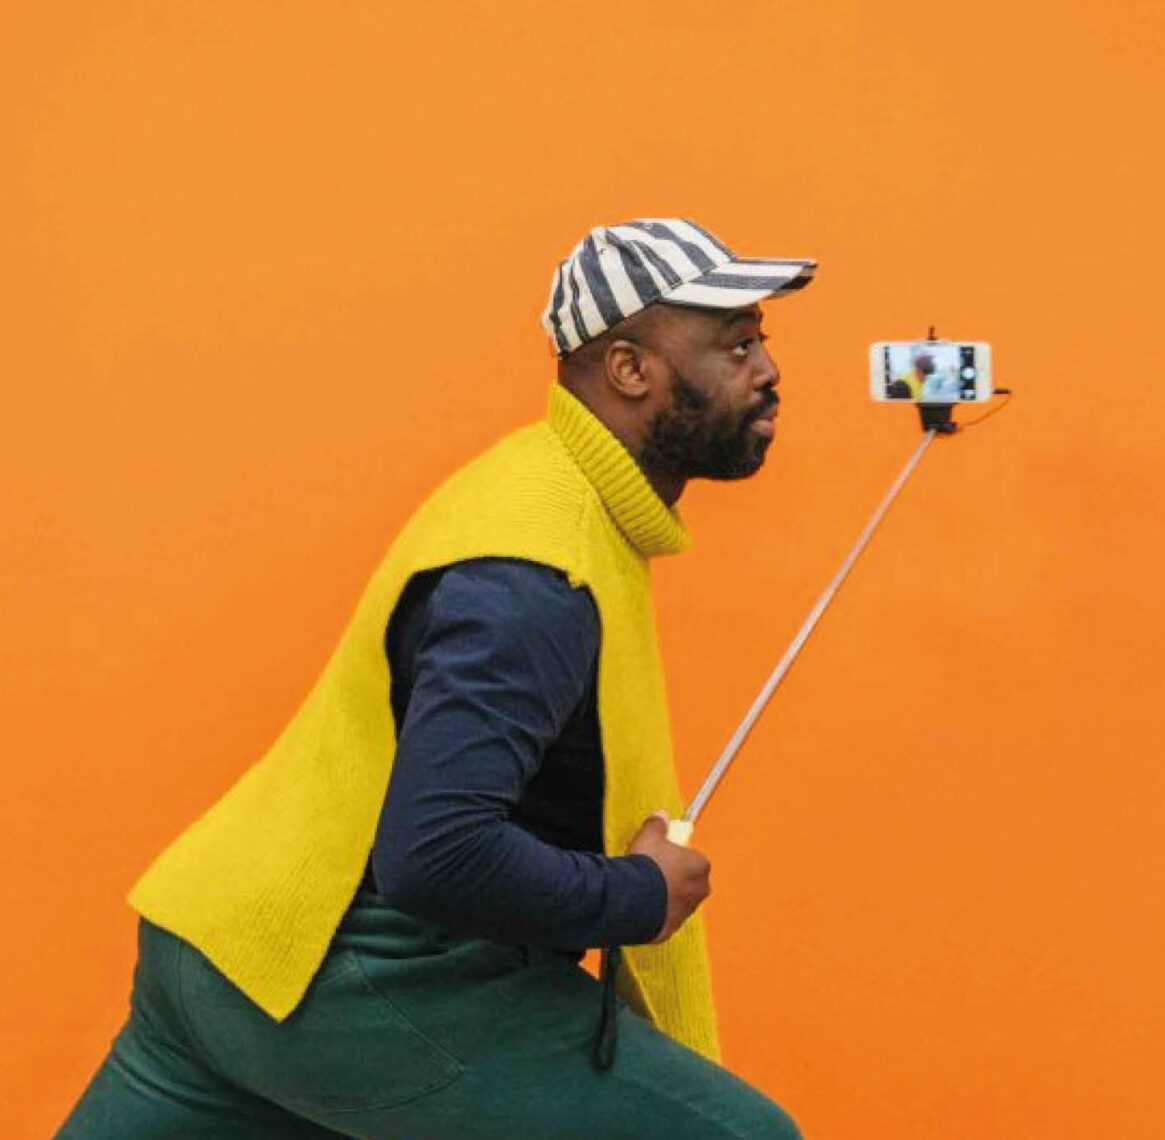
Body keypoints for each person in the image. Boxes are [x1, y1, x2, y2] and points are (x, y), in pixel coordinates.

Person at [52, 218, 814, 1139]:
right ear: (629, 369)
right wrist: (639, 896)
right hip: (353, 980)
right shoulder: (537, 573)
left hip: (215, 950)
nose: (767, 369)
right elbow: (439, 852)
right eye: (735, 345)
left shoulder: (534, 489)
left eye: (760, 340)